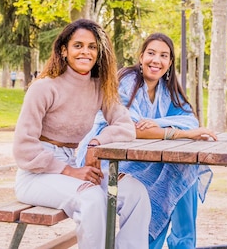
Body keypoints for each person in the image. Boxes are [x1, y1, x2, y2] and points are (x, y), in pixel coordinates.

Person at [13, 19, 151, 249]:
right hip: (36, 174)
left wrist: (96, 143)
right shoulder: (44, 87)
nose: (85, 51)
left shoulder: (100, 87)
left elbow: (126, 126)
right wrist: (69, 170)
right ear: (64, 50)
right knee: (93, 198)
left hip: (74, 165)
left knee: (136, 193)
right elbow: (23, 148)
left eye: (92, 46)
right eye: (78, 45)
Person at [78, 32, 217, 249]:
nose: (156, 60)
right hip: (105, 159)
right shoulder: (127, 81)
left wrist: (157, 123)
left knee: (184, 169)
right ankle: (153, 244)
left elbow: (190, 120)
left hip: (141, 160)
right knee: (175, 174)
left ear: (170, 63)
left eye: (163, 56)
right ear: (141, 56)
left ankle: (183, 244)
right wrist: (178, 133)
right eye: (151, 53)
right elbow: (129, 129)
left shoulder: (166, 90)